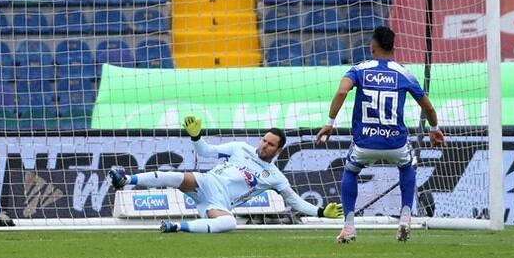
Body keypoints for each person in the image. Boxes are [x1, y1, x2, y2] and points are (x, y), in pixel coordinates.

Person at [315, 26, 445, 243]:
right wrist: (433, 129)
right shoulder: (404, 72)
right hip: (395, 141)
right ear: (394, 48)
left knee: (351, 171)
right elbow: (428, 107)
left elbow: (341, 91)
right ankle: (405, 216)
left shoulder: (359, 69)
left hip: (364, 141)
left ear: (371, 47)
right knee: (407, 166)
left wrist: (330, 122)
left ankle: (348, 226)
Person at [109, 115, 343, 234]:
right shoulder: (240, 148)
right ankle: (125, 180)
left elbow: (295, 201)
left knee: (230, 223)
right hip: (207, 182)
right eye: (263, 140)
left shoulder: (275, 176)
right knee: (176, 177)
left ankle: (176, 227)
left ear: (278, 150)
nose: (263, 146)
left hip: (218, 203)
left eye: (270, 144)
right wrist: (196, 136)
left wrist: (321, 212)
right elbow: (207, 151)